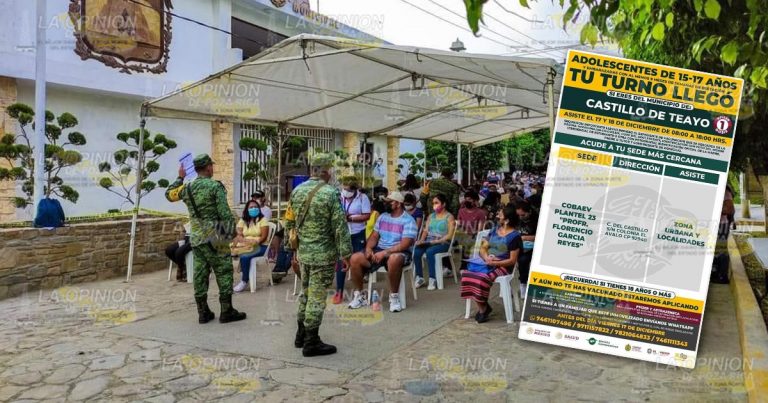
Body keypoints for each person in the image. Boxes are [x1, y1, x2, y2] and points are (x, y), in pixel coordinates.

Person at [165, 154, 246, 324]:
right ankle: (226, 311)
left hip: (197, 238)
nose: (213, 168)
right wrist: (234, 234)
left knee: (200, 274)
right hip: (216, 236)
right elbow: (224, 214)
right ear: (208, 167)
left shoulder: (186, 188)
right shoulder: (215, 187)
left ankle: (203, 312)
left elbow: (168, 194)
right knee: (224, 272)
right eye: (212, 165)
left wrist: (180, 177)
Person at [285, 153, 352, 357]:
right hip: (323, 256)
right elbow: (339, 227)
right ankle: (311, 342)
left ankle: (301, 335)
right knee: (316, 298)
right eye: (330, 169)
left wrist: (293, 251)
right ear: (324, 170)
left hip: (304, 254)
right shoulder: (330, 193)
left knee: (306, 294)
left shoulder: (296, 191)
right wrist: (346, 254)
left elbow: (289, 223)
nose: (331, 173)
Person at [348, 191, 418, 312]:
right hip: (379, 250)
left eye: (389, 202)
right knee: (355, 258)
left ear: (398, 204)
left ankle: (394, 297)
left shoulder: (408, 220)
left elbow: (405, 244)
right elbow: (374, 236)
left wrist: (385, 253)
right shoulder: (383, 217)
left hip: (400, 251)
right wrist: (369, 248)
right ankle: (359, 296)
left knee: (394, 259)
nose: (386, 204)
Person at [460, 206, 522, 323]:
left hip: (503, 266)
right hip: (487, 262)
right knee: (467, 275)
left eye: (501, 215)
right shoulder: (495, 230)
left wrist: (495, 262)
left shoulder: (515, 237)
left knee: (481, 279)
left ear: (507, 220)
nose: (498, 216)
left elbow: (512, 260)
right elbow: (483, 248)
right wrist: (486, 258)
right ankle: (483, 307)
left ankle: (483, 309)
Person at [333, 178, 371, 304]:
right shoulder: (339, 197)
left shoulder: (362, 198)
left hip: (357, 233)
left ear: (355, 189)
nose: (345, 192)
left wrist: (350, 218)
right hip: (343, 233)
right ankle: (339, 291)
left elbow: (367, 215)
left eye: (348, 190)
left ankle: (358, 292)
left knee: (356, 261)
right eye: (344, 188)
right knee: (341, 261)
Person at [413, 194, 456, 290]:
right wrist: (421, 240)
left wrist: (437, 241)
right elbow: (425, 231)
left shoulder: (449, 217)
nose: (434, 205)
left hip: (443, 243)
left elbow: (449, 235)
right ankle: (419, 277)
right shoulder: (431, 216)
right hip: (429, 241)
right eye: (433, 203)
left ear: (443, 204)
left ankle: (433, 278)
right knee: (416, 251)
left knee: (430, 251)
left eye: (437, 203)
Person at [231, 200, 270, 292]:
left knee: (244, 256)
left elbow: (263, 238)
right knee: (229, 251)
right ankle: (229, 279)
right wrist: (243, 241)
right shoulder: (243, 220)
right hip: (246, 244)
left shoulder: (263, 220)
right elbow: (239, 234)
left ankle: (244, 281)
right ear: (247, 209)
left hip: (261, 246)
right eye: (251, 207)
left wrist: (252, 243)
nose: (254, 209)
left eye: (255, 207)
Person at [515, 200, 539, 296]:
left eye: (523, 215)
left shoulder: (536, 221)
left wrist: (524, 238)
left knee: (523, 260)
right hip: (519, 246)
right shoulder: (518, 220)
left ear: (529, 212)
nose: (521, 217)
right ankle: (508, 287)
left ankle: (523, 283)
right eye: (519, 215)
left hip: (531, 247)